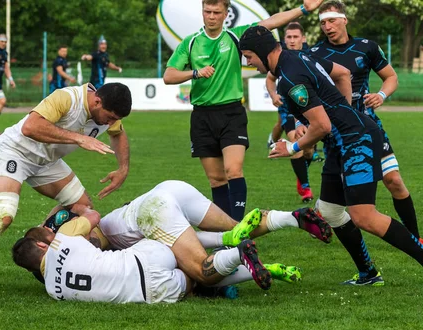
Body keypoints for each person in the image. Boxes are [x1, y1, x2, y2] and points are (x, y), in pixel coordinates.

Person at [239, 25, 423, 287]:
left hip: (355, 139)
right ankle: (369, 273)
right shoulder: (298, 56)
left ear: (260, 51)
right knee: (330, 211)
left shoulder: (290, 77)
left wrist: (291, 148)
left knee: (364, 215)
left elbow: (322, 126)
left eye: (248, 56)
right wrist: (344, 112)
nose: (248, 62)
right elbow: (343, 74)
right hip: (343, 139)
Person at [0, 82, 132, 301]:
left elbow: (118, 134)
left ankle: (46, 244)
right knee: (3, 216)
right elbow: (31, 126)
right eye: (110, 117)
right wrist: (79, 138)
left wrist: (122, 169)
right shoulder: (67, 98)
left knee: (83, 209)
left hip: (47, 162)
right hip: (15, 152)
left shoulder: (108, 112)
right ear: (97, 101)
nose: (111, 122)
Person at [163, 0, 324, 222]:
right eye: (207, 11)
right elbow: (168, 75)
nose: (211, 16)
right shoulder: (190, 42)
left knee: (234, 170)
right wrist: (195, 73)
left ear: (226, 14)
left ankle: (237, 227)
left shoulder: (234, 36)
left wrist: (304, 9)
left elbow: (270, 23)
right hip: (201, 116)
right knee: (216, 179)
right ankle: (226, 228)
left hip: (232, 113)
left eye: (216, 12)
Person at [27, 180, 330, 290]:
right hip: (170, 190)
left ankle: (240, 253)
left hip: (153, 212)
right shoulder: (83, 235)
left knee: (200, 271)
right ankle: (292, 218)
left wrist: (60, 223)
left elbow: (85, 221)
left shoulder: (83, 240)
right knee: (229, 228)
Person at [310, 0, 420, 241]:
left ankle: (415, 238)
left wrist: (381, 95)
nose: (327, 26)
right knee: (337, 199)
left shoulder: (366, 47)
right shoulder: (315, 54)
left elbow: (391, 77)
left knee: (394, 180)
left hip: (368, 126)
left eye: (331, 20)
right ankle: (328, 223)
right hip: (337, 132)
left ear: (344, 20)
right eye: (323, 23)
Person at [14, 205, 278, 303]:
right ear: (41, 246)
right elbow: (92, 214)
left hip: (148, 293)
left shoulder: (51, 290)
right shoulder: (63, 237)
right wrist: (61, 213)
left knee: (195, 282)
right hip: (144, 258)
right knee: (183, 252)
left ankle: (246, 263)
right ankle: (230, 243)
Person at [265, 22, 315, 202]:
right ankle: (305, 187)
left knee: (308, 150)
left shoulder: (311, 55)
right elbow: (270, 79)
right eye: (289, 37)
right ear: (284, 39)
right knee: (296, 139)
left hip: (309, 105)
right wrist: (273, 94)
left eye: (295, 37)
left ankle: (301, 172)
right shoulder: (280, 57)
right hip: (288, 106)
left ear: (303, 38)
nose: (292, 41)